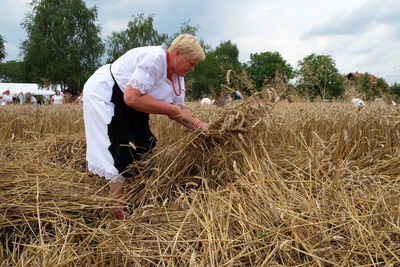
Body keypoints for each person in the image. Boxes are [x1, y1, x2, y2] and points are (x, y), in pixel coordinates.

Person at [83, 34, 208, 220]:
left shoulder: (178, 77)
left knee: (144, 144)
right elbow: (132, 97)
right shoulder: (155, 59)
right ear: (178, 54)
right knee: (121, 148)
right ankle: (118, 210)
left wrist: (201, 127)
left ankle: (136, 197)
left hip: (132, 100)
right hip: (107, 93)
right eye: (191, 63)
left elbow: (179, 109)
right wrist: (170, 110)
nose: (193, 68)